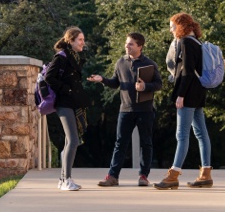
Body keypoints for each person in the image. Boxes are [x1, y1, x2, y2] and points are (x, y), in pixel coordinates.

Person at [88, 32, 162, 187]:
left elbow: (158, 85)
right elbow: (115, 83)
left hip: (145, 110)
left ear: (140, 47)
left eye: (130, 44)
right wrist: (102, 80)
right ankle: (113, 177)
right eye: (126, 43)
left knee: (146, 143)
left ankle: (143, 176)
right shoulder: (120, 62)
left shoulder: (150, 64)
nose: (126, 46)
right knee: (120, 143)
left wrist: (145, 87)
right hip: (125, 110)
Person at [154, 13, 213, 190]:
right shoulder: (196, 42)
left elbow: (186, 72)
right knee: (201, 133)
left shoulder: (186, 42)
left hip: (188, 94)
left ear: (180, 26)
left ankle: (173, 175)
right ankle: (206, 174)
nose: (170, 30)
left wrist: (180, 95)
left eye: (172, 26)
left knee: (182, 135)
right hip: (198, 92)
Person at [45, 26, 90, 191]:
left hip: (72, 103)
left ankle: (63, 179)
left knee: (69, 141)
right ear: (70, 41)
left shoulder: (74, 57)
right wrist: (67, 90)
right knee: (73, 140)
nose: (83, 43)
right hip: (64, 103)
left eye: (83, 40)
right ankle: (66, 180)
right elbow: (49, 77)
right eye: (80, 40)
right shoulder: (61, 57)